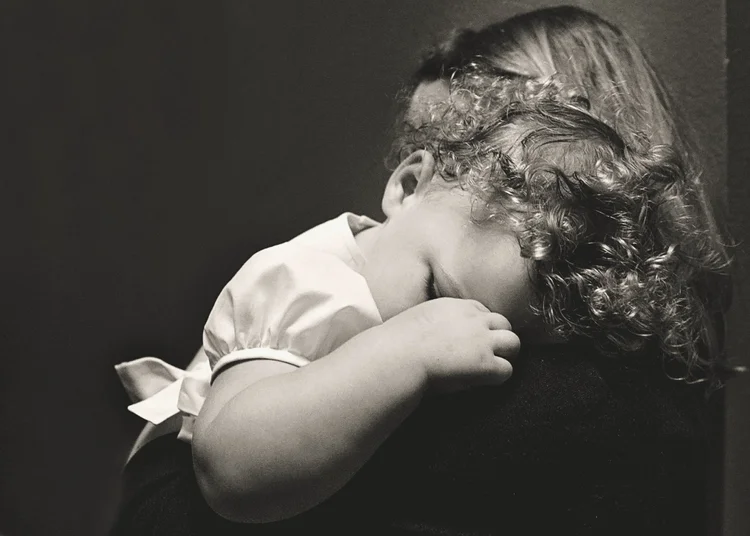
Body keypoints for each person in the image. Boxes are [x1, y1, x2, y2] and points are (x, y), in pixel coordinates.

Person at [111, 7, 738, 535]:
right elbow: (230, 474)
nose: (453, 328)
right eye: (437, 292)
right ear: (410, 183)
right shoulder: (306, 280)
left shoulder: (604, 391)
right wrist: (406, 352)